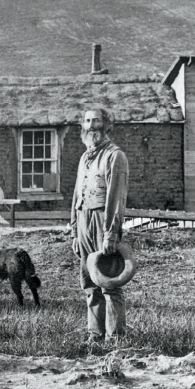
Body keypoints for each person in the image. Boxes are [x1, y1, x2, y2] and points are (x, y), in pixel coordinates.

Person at [70, 108, 130, 344]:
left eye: (96, 120)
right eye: (87, 121)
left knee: (108, 280)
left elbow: (116, 198)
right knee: (89, 282)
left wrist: (110, 234)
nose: (91, 125)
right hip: (83, 221)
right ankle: (95, 336)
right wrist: (74, 230)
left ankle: (115, 339)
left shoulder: (115, 156)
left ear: (107, 125)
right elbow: (76, 196)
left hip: (102, 222)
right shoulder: (85, 157)